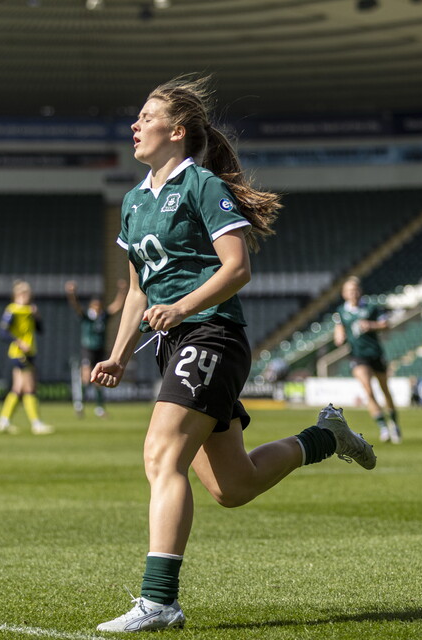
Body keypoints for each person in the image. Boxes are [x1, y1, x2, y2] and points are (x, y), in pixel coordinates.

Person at [91, 75, 376, 633]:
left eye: (146, 117)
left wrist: (183, 308)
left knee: (160, 455)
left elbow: (237, 267)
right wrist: (119, 354)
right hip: (174, 342)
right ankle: (327, 435)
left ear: (177, 132)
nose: (134, 125)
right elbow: (137, 292)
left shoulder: (199, 185)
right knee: (232, 487)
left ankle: (159, 601)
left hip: (212, 336)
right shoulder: (132, 202)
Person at [333, 276, 401, 444]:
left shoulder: (371, 307)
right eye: (349, 291)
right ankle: (382, 427)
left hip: (375, 353)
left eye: (355, 290)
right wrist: (339, 338)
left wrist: (371, 325)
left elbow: (386, 324)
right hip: (357, 356)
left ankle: (394, 423)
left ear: (360, 292)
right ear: (344, 294)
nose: (353, 293)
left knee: (385, 390)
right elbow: (339, 332)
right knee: (368, 390)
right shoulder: (341, 311)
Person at [0, 280, 54, 435]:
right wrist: (19, 342)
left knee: (18, 388)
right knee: (30, 387)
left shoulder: (30, 310)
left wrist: (37, 317)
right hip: (20, 353)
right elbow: (2, 332)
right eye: (24, 293)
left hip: (30, 352)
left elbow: (40, 330)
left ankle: (4, 421)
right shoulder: (13, 310)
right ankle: (36, 423)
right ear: (18, 295)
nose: (27, 296)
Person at [65, 279, 127, 417]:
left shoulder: (103, 317)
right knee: (86, 377)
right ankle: (80, 404)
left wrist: (122, 292)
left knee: (99, 379)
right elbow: (76, 306)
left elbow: (117, 306)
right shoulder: (87, 316)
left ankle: (99, 408)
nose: (97, 308)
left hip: (100, 349)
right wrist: (72, 294)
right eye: (95, 305)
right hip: (88, 349)